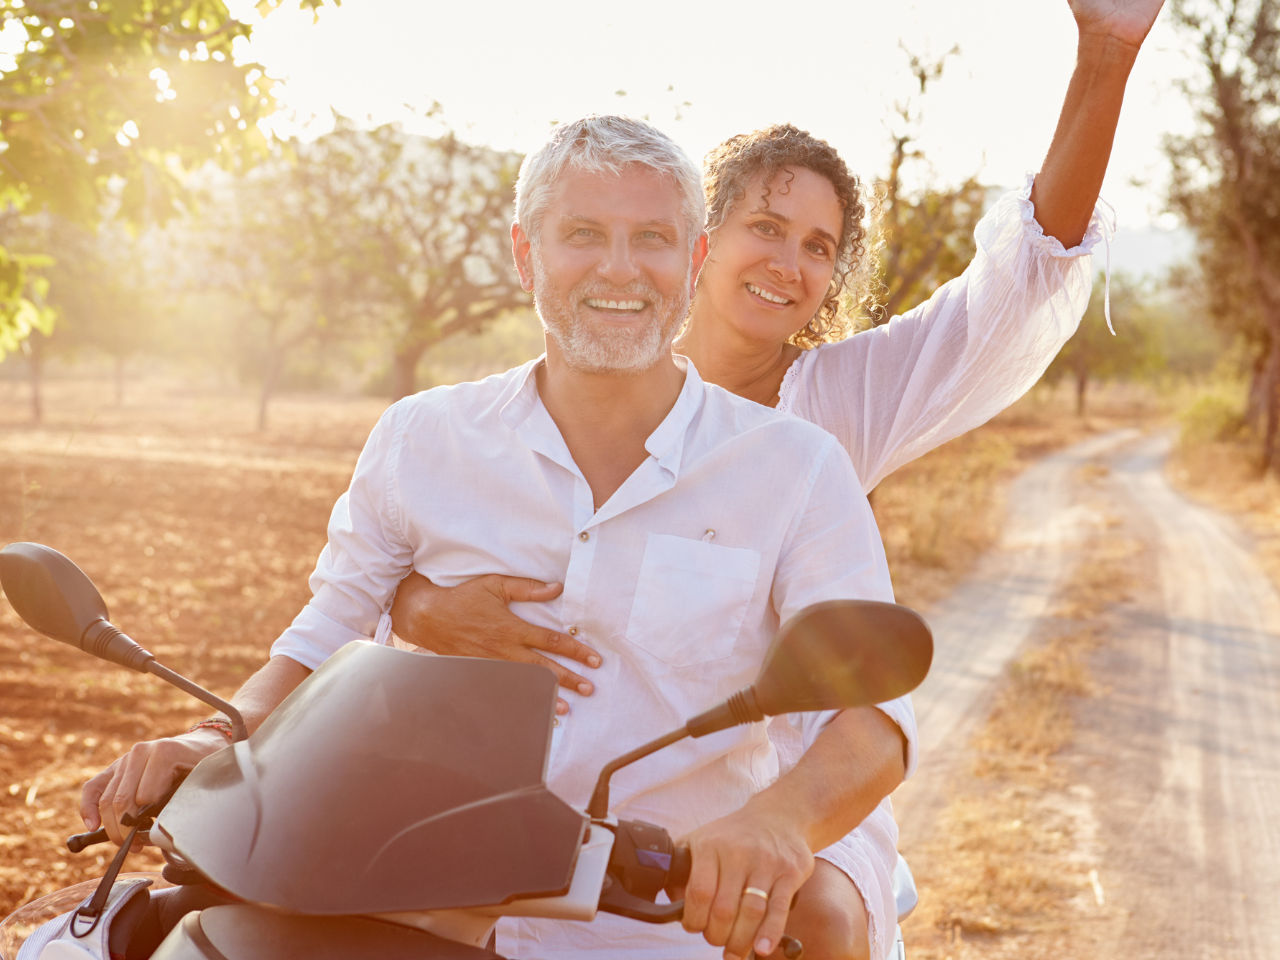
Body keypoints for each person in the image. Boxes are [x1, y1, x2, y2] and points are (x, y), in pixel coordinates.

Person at [377, 1, 1165, 957]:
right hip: (562, 757)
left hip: (778, 773)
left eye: (820, 247)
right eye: (768, 226)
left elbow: (1010, 295)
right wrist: (417, 606)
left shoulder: (834, 403)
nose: (789, 264)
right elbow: (436, 541)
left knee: (815, 918)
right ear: (699, 240)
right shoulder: (584, 366)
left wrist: (1107, 54)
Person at [84, 115, 906, 960]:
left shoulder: (797, 467)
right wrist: (212, 736)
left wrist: (776, 821)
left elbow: (873, 719)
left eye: (652, 239)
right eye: (584, 234)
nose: (620, 269)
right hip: (400, 905)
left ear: (692, 261)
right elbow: (324, 638)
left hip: (659, 927)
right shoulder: (421, 437)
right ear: (525, 256)